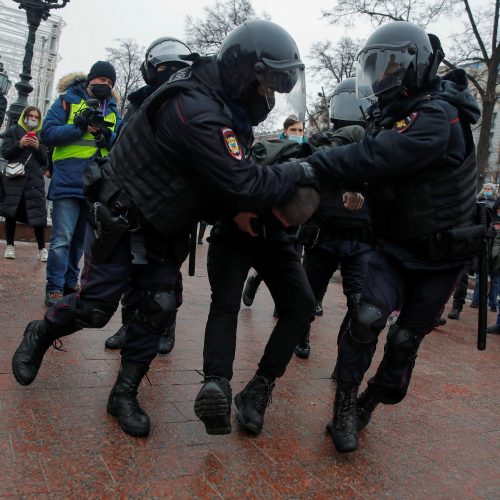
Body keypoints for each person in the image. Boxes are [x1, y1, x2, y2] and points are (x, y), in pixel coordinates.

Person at [12, 20, 316, 438]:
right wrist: (303, 170)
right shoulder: (195, 106)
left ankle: (124, 394)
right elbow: (237, 179)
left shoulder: (228, 111)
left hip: (167, 226)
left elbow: (211, 179)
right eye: (266, 86)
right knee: (96, 307)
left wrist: (233, 210)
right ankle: (43, 331)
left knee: (157, 307)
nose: (269, 97)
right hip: (125, 217)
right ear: (245, 75)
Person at [299, 22, 481, 452]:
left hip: (442, 258)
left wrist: (311, 167)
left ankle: (370, 401)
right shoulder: (393, 116)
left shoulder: (438, 113)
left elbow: (380, 155)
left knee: (403, 342)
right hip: (394, 250)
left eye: (391, 66)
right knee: (364, 320)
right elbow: (380, 170)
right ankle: (343, 404)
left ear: (414, 64)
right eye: (376, 68)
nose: (381, 78)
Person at [194, 136, 319, 437]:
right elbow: (209, 184)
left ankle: (259, 388)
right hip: (234, 231)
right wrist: (235, 209)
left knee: (302, 304)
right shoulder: (256, 177)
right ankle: (217, 384)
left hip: (275, 241)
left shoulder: (321, 175)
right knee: (225, 303)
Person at [104, 38, 193, 354]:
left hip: (170, 205)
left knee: (167, 277)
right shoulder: (137, 103)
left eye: (175, 70)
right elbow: (121, 146)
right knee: (132, 269)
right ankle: (128, 325)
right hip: (132, 202)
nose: (168, 75)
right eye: (162, 69)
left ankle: (165, 327)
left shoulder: (186, 104)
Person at [294, 77, 373, 362]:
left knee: (360, 305)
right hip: (323, 236)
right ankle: (301, 336)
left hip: (359, 238)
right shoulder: (324, 143)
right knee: (309, 297)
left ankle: (347, 356)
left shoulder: (377, 145)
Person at [41, 61, 122, 306]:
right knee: (62, 238)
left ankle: (69, 284)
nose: (104, 85)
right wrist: (77, 128)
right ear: (90, 79)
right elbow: (48, 134)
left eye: (109, 83)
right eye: (101, 80)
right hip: (67, 180)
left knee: (79, 241)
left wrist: (107, 136)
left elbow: (118, 146)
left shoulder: (113, 110)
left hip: (95, 186)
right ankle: (54, 287)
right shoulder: (67, 100)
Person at [241, 115, 308, 309]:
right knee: (272, 260)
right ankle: (254, 279)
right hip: (273, 219)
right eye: (293, 130)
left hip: (296, 221)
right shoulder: (272, 149)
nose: (297, 134)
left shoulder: (306, 151)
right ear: (285, 131)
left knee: (293, 261)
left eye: (300, 130)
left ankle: (283, 307)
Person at [1, 106, 48, 260]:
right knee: (11, 214)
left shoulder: (41, 136)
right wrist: (20, 144)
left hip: (34, 181)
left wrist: (37, 147)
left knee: (38, 216)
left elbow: (44, 160)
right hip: (15, 179)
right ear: (24, 116)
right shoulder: (13, 131)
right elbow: (5, 153)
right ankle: (10, 246)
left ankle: (42, 249)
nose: (33, 119)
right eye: (31, 116)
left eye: (36, 117)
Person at [470, 183, 499, 311]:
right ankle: (476, 301)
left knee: (494, 278)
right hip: (483, 243)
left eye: (489, 188)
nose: (487, 190)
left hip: (493, 245)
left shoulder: (495, 204)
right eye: (486, 188)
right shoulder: (478, 202)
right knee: (480, 276)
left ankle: (492, 304)